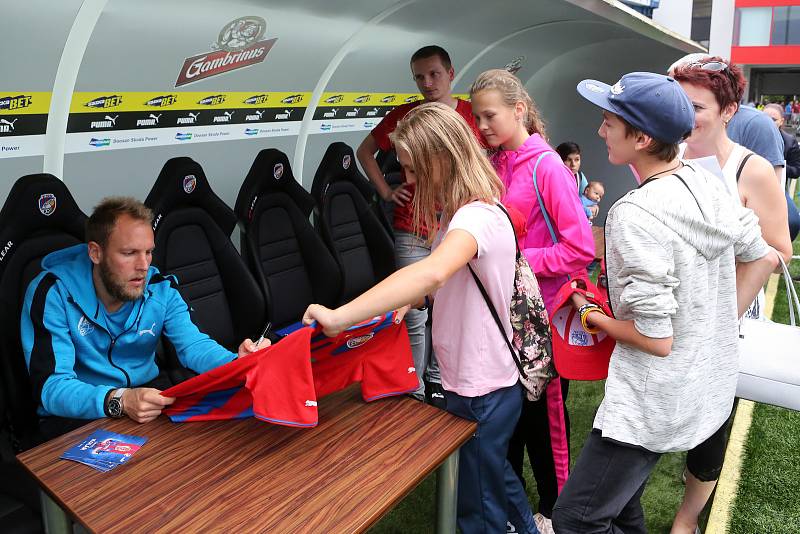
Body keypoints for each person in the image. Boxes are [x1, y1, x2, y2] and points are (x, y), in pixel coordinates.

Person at [551, 72, 777, 534]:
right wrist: (715, 326)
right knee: (625, 506)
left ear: (642, 137)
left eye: (609, 122)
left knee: (575, 519)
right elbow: (763, 255)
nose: (600, 131)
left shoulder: (633, 213)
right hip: (700, 384)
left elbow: (656, 340)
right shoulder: (702, 177)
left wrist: (592, 314)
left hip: (649, 400)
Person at [305, 102, 538, 533]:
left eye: (412, 170)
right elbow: (441, 286)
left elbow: (431, 272)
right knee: (493, 476)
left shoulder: (473, 219)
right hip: (478, 380)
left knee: (476, 504)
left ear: (439, 161)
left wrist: (340, 316)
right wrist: (406, 302)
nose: (407, 181)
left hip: (480, 386)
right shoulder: (466, 214)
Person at [666, 61, 794, 533]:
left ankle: (686, 517)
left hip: (729, 315)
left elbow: (779, 247)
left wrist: (725, 315)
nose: (684, 114)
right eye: (678, 102)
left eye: (696, 106)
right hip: (670, 312)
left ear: (728, 111)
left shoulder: (751, 168)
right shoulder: (665, 155)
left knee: (714, 423)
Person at [21, 197, 266, 441]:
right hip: (78, 416)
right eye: (129, 253)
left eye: (148, 252)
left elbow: (193, 346)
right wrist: (121, 399)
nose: (143, 266)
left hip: (147, 398)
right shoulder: (54, 293)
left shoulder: (160, 288)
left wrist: (237, 363)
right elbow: (52, 388)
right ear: (95, 253)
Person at [470, 69, 595, 533]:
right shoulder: (496, 161)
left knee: (547, 426)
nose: (482, 126)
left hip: (542, 318)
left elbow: (580, 247)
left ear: (519, 110)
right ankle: (515, 509)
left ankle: (554, 510)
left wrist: (520, 259)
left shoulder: (548, 167)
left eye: (490, 115)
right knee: (512, 420)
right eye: (477, 117)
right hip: (506, 318)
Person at [356, 45, 481, 405]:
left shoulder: (471, 117)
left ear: (451, 73)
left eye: (434, 74)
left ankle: (439, 380)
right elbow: (365, 151)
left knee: (447, 309)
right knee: (412, 310)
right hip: (412, 227)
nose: (427, 83)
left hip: (456, 229)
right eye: (419, 77)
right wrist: (386, 190)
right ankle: (414, 389)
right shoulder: (405, 116)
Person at [764, 103, 800, 181]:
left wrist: (777, 164)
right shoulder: (750, 134)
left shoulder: (790, 142)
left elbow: (796, 171)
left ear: (781, 121)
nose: (768, 122)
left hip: (777, 186)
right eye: (764, 118)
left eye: (773, 120)